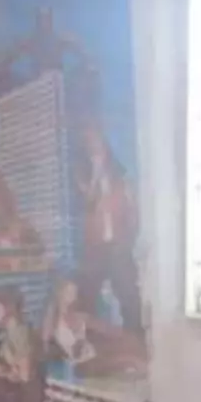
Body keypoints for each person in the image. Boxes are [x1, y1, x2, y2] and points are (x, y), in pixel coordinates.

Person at [74, 126, 144, 334]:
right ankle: (86, 340)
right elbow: (89, 201)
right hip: (95, 246)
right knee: (87, 291)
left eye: (98, 141)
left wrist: (129, 239)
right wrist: (96, 171)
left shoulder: (120, 176)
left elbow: (133, 209)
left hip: (118, 244)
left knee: (127, 292)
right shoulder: (83, 173)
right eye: (90, 143)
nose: (95, 147)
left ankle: (135, 337)